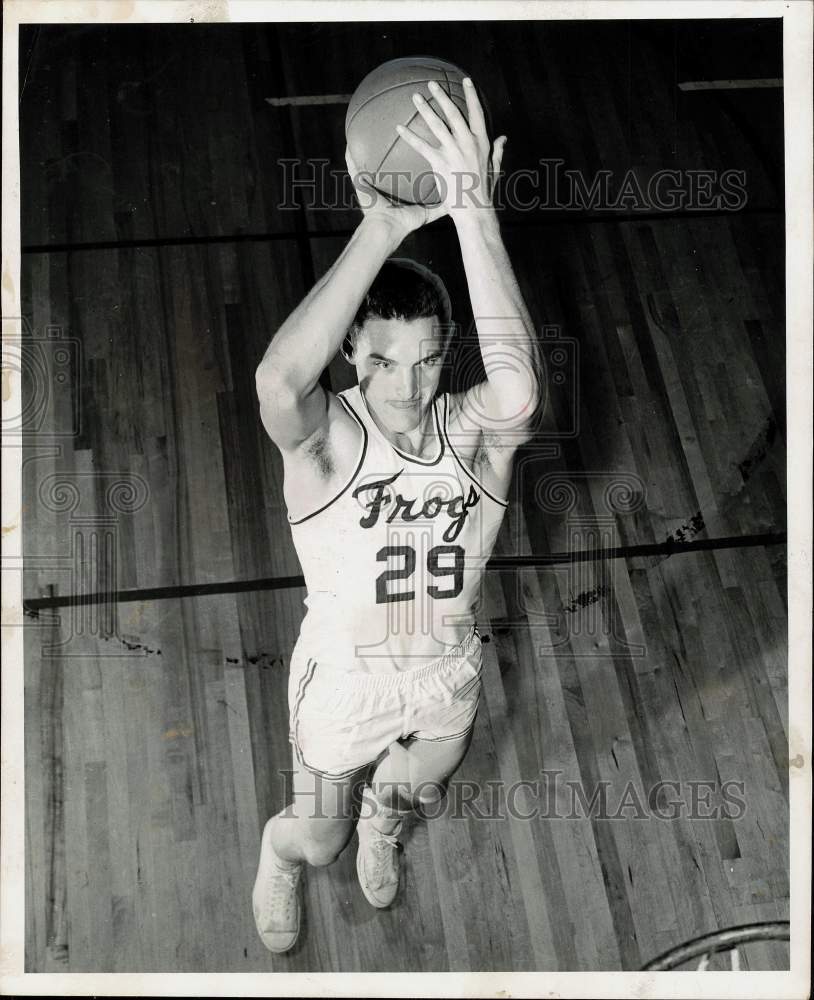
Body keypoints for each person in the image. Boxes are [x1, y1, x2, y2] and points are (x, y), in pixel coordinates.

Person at [252, 77, 542, 953]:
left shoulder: (472, 432)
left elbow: (520, 391)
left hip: (443, 663)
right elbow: (278, 383)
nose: (407, 386)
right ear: (352, 351)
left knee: (419, 780)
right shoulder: (328, 444)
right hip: (344, 681)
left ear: (444, 357)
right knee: (321, 834)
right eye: (381, 360)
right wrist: (381, 225)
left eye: (425, 362)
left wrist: (473, 216)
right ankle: (282, 849)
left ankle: (386, 814)